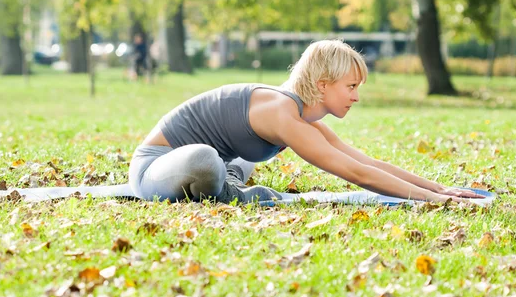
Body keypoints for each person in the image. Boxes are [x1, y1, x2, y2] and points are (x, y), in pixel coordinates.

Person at [129, 39, 484, 204]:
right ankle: (231, 190)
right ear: (322, 85)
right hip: (156, 168)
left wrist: (438, 189)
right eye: (351, 87)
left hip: (206, 167)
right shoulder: (282, 113)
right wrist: (432, 201)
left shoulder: (301, 117)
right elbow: (356, 176)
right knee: (206, 160)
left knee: (231, 161)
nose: (356, 96)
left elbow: (364, 163)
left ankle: (228, 181)